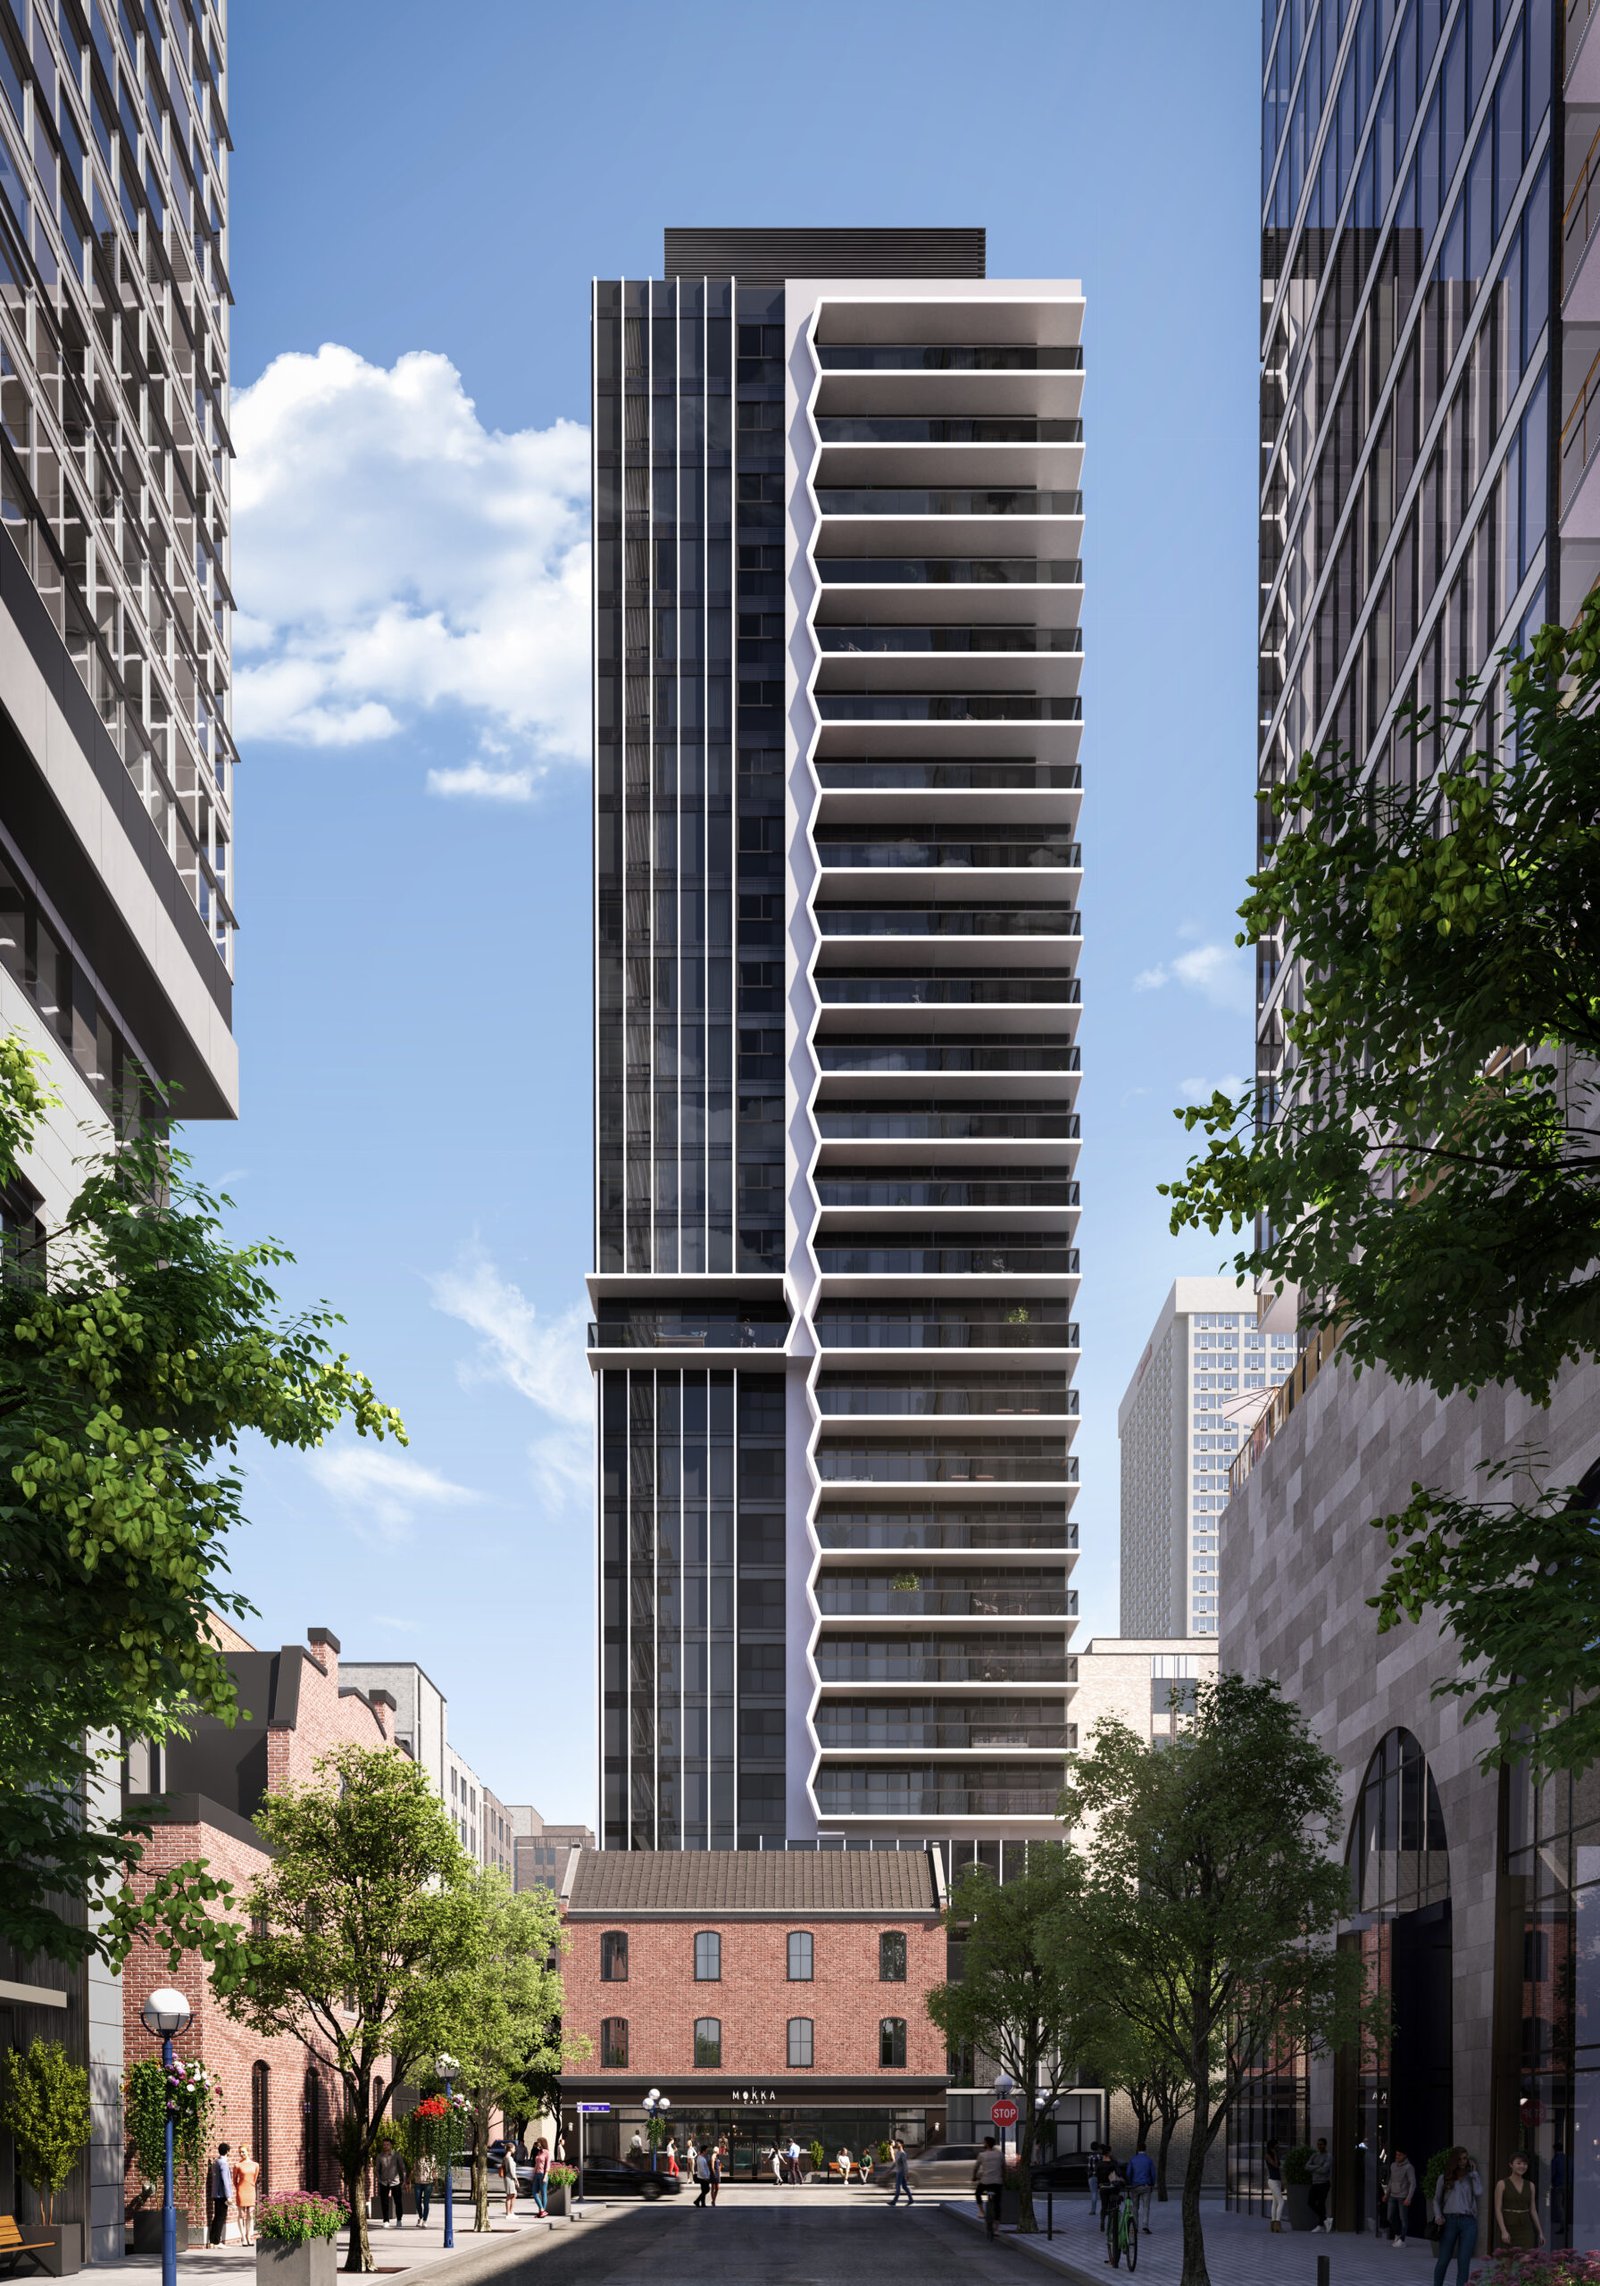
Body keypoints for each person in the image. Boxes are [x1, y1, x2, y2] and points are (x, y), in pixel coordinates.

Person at [1432, 2147, 1484, 2286]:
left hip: (1469, 2222)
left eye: (1465, 2158)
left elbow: (1479, 2192)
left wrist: (1474, 2173)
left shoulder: (1471, 2177)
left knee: (1464, 2260)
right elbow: (1436, 2199)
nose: (1462, 2161)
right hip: (1449, 2221)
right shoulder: (1444, 2178)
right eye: (1460, 2159)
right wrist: (1438, 2216)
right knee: (1443, 2259)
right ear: (1454, 2160)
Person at [1494, 2152, 1543, 2252]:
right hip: (1508, 2225)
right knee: (1507, 2262)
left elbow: (1533, 2210)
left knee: (1526, 2260)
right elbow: (1498, 2209)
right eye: (1519, 2163)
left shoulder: (1530, 2185)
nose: (1522, 2166)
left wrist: (1540, 2232)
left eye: (1525, 2164)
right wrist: (1503, 2230)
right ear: (1511, 2165)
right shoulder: (1502, 2184)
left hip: (1526, 2227)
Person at [974, 2136, 1004, 2240]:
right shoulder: (1000, 2154)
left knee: (977, 2193)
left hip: (985, 2181)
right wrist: (1004, 2179)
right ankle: (996, 2229)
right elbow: (1003, 2167)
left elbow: (976, 2167)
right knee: (997, 2204)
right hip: (997, 2182)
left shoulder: (982, 2155)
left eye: (984, 2142)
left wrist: (974, 2177)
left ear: (986, 2144)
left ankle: (981, 2211)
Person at [1384, 2148, 1417, 2246]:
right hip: (1393, 2195)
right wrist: (1386, 2194)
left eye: (1399, 2155)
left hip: (1403, 2196)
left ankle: (1402, 2239)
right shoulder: (1393, 2166)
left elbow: (1413, 2183)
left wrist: (1409, 2197)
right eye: (1396, 2155)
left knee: (1403, 2218)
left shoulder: (1409, 2167)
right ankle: (1397, 2234)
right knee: (1390, 2217)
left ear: (1404, 2156)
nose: (1397, 2157)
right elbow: (1391, 2181)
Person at [231, 2146, 260, 2245]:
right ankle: (243, 2237)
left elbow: (254, 2179)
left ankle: (249, 2236)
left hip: (251, 2190)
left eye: (243, 2152)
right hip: (241, 2191)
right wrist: (239, 2188)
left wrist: (250, 2186)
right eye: (240, 2152)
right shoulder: (237, 2165)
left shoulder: (255, 2165)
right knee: (241, 2214)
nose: (241, 2154)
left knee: (250, 2214)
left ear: (248, 2152)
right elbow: (234, 2180)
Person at [206, 2143, 233, 2246]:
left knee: (217, 2217)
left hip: (216, 2194)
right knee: (221, 2217)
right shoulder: (223, 2163)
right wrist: (229, 2196)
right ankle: (216, 2241)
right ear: (227, 2151)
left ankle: (213, 2240)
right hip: (222, 2195)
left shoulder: (215, 2162)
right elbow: (225, 2181)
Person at [374, 2140, 404, 2228]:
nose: (385, 2146)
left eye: (387, 2144)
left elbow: (402, 2167)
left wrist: (404, 2180)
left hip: (395, 2181)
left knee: (398, 2202)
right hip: (384, 2182)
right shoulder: (379, 2156)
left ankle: (399, 2219)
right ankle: (386, 2220)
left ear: (391, 2145)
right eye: (384, 2145)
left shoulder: (396, 2155)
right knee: (384, 2202)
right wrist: (379, 2179)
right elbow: (377, 2169)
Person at [1126, 2143, 1155, 2233]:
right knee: (1146, 2207)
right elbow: (1153, 2174)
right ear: (1145, 2149)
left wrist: (1130, 2183)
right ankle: (1145, 2225)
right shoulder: (1149, 2160)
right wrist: (1152, 2184)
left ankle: (1135, 2226)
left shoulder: (1133, 2160)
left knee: (1135, 2207)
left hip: (1135, 2186)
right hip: (1146, 2186)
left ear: (1137, 2149)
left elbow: (1128, 2173)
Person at [1307, 2137, 1333, 2232]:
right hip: (1315, 2183)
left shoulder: (1328, 2156)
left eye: (1321, 2144)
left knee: (1321, 2203)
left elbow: (1325, 2170)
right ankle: (1325, 2219)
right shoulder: (1314, 2155)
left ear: (1325, 2145)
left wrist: (1313, 2168)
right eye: (1318, 2144)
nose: (1319, 2146)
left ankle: (1320, 2224)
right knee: (1310, 2202)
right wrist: (1318, 2166)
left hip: (1324, 2183)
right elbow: (1307, 2166)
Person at [1263, 2140, 1285, 2233]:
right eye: (1276, 2147)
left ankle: (1273, 2223)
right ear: (1272, 2147)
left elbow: (1278, 2169)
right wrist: (1275, 2154)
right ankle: (1277, 2223)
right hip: (1272, 2181)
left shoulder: (1274, 2155)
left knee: (1275, 2202)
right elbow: (1275, 2165)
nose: (1277, 2149)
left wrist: (1282, 2182)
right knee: (1281, 2201)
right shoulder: (1268, 2155)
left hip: (1277, 2180)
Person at [529, 2138, 551, 2227]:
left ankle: (541, 2212)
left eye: (538, 2142)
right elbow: (536, 2164)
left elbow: (548, 2165)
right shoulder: (538, 2152)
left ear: (542, 2143)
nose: (537, 2143)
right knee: (534, 2193)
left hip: (543, 2175)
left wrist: (546, 2176)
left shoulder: (547, 2152)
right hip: (536, 2174)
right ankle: (542, 2210)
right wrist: (533, 2174)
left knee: (543, 2193)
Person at [889, 2137, 914, 2209]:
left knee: (898, 2186)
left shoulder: (903, 2154)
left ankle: (894, 2201)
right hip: (898, 2171)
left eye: (898, 2143)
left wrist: (906, 2174)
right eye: (896, 2142)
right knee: (904, 2187)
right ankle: (911, 2200)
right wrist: (889, 2170)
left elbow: (905, 2165)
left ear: (902, 2144)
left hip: (901, 2172)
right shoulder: (897, 2153)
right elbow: (895, 2163)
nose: (896, 2144)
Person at [412, 2151, 434, 2228]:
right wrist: (409, 2180)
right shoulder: (417, 2158)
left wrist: (436, 2183)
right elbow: (414, 2169)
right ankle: (420, 2217)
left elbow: (434, 2170)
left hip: (428, 2182)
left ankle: (424, 2220)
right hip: (418, 2182)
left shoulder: (432, 2158)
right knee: (417, 2201)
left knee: (426, 2202)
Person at [500, 2143, 518, 2219]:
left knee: (513, 2195)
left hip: (508, 2177)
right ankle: (509, 2213)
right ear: (510, 2149)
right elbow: (511, 2170)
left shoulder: (505, 2157)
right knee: (511, 2195)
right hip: (510, 2178)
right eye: (514, 2148)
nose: (515, 2150)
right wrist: (516, 2179)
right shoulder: (509, 2158)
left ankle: (510, 2212)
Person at [1087, 2140, 1104, 2218]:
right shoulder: (1101, 2156)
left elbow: (1089, 2168)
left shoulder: (1090, 2157)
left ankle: (1093, 2210)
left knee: (1094, 2193)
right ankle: (1104, 2209)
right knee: (1103, 2193)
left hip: (1092, 2177)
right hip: (1101, 2177)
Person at [710, 2139, 727, 2206]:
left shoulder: (717, 2157)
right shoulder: (713, 2156)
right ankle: (713, 2201)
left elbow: (718, 2164)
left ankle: (713, 2200)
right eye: (718, 2150)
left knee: (716, 2188)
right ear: (716, 2151)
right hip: (714, 2173)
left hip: (717, 2173)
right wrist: (714, 2172)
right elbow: (712, 2165)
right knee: (713, 2187)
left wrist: (720, 2168)